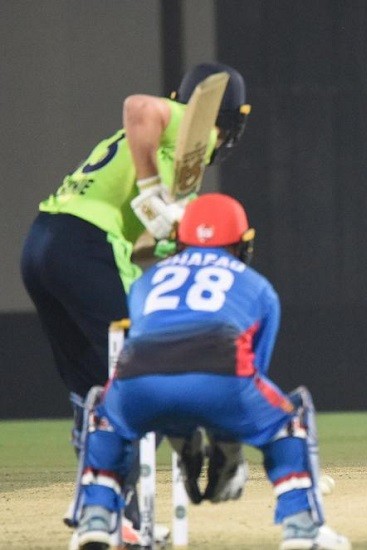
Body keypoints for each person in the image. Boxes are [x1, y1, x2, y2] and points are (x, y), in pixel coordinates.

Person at [19, 61, 250, 543]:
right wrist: (149, 191)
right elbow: (138, 106)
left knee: (94, 386)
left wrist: (166, 236)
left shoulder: (165, 150)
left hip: (43, 246)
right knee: (148, 371)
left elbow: (140, 244)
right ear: (226, 120)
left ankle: (108, 512)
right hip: (86, 245)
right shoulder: (188, 125)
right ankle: (104, 504)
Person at [71, 193, 351, 550]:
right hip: (222, 375)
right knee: (291, 417)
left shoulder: (147, 281)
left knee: (103, 416)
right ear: (241, 243)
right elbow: (252, 372)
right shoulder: (258, 287)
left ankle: (96, 518)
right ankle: (302, 527)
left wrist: (181, 434)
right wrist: (228, 450)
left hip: (138, 376)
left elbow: (158, 353)